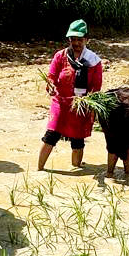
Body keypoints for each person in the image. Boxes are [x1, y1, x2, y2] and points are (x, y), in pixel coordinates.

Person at [38, 20, 103, 171]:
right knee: (51, 135)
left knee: (77, 141)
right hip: (60, 102)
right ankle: (39, 170)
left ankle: (76, 168)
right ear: (69, 40)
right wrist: (51, 85)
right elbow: (51, 77)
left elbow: (96, 87)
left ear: (87, 40)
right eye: (73, 39)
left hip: (81, 105)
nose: (76, 43)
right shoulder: (60, 56)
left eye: (80, 39)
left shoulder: (93, 61)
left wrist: (88, 103)